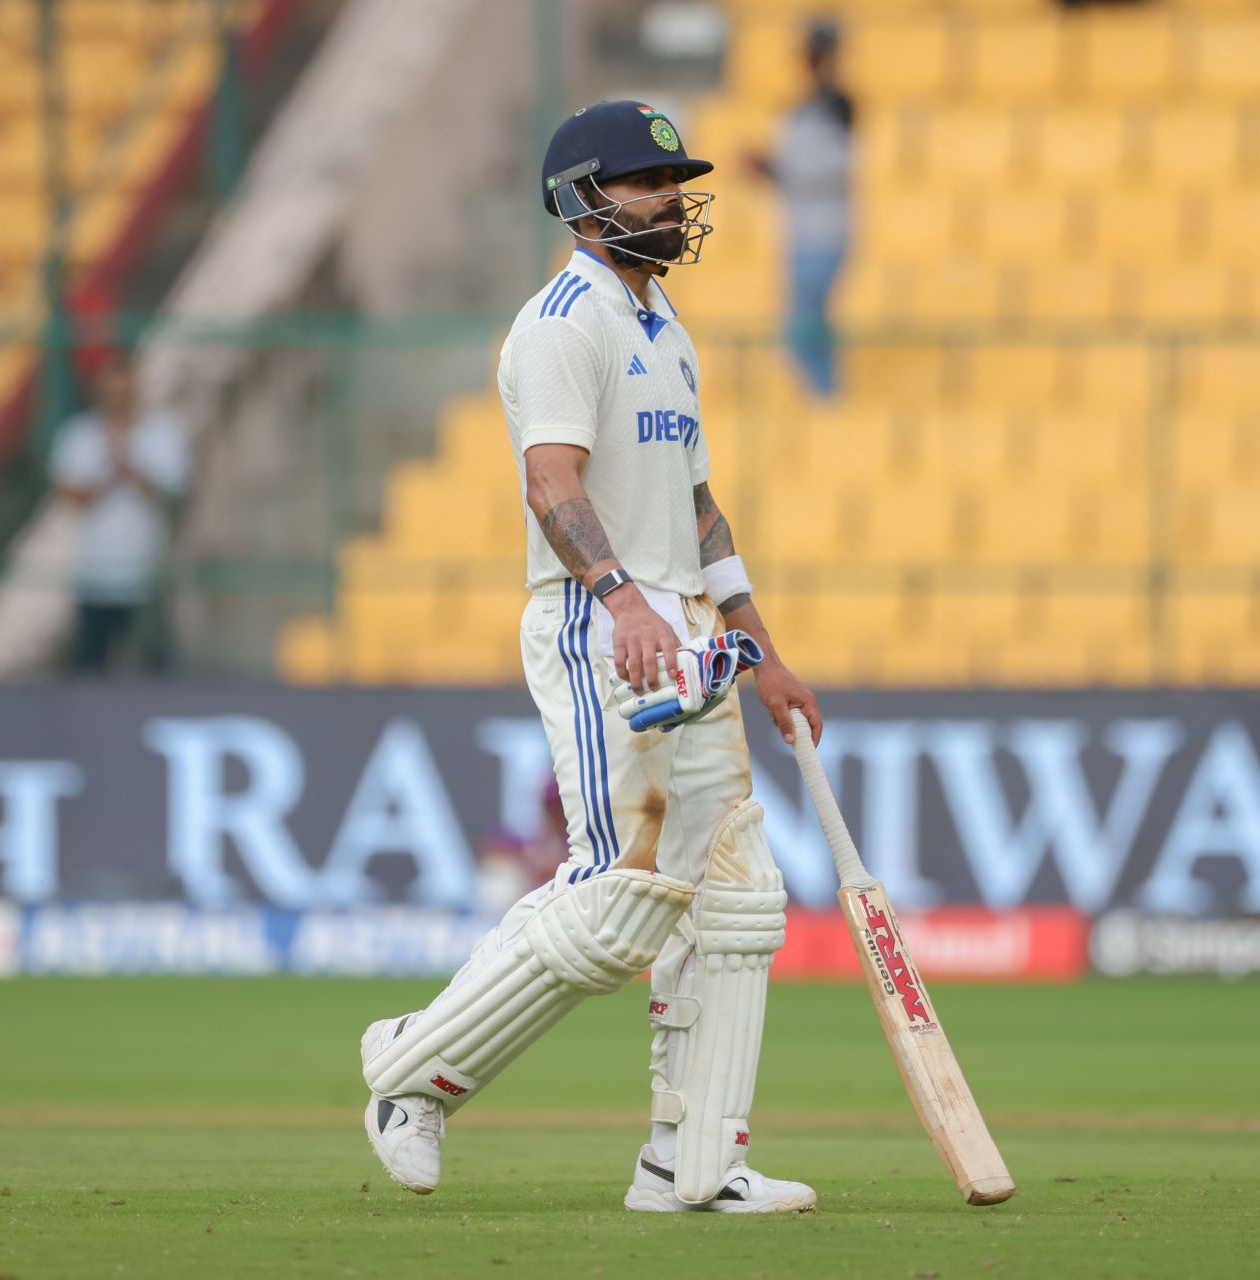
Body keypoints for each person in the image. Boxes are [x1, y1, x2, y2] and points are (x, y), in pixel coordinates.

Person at [358, 99, 824, 1214]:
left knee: (738, 898)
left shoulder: (666, 326)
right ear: (580, 199)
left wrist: (761, 647)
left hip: (689, 629)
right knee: (623, 893)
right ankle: (412, 1070)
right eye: (644, 181)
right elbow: (550, 483)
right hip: (599, 616)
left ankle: (689, 1161)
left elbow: (698, 508)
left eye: (674, 180)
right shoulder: (563, 321)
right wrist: (621, 599)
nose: (670, 198)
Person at [49, 351, 190, 673]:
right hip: (94, 578)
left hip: (147, 578)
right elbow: (72, 498)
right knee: (91, 670)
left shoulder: (162, 434)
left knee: (152, 673)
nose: (119, 402)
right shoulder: (79, 435)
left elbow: (174, 499)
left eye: (124, 394)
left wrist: (130, 466)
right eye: (111, 395)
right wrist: (110, 473)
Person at [755, 20, 853, 396]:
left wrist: (775, 167)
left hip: (824, 234)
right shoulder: (812, 106)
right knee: (803, 331)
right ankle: (823, 403)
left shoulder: (837, 106)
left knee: (804, 331)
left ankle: (828, 402)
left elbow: (831, 170)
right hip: (805, 232)